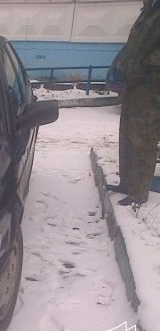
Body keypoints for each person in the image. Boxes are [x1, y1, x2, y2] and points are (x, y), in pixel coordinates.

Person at [106, 0, 160, 206]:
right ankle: (127, 183)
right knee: (128, 134)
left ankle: (138, 193)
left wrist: (144, 68)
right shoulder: (148, 11)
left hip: (152, 86)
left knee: (144, 140)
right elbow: (134, 46)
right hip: (134, 83)